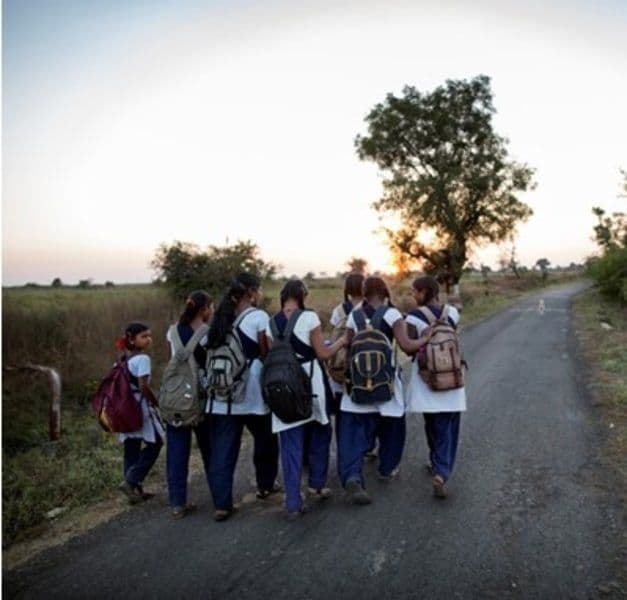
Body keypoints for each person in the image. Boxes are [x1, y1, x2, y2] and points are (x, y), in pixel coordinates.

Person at [337, 276, 430, 505]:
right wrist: (425, 338)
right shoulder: (392, 314)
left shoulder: (354, 316)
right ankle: (386, 468)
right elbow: (407, 345)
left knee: (352, 434)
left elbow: (347, 345)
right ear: (384, 292)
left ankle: (352, 476)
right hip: (385, 383)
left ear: (364, 293)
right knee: (393, 429)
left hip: (357, 386)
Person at [266, 279, 347, 520]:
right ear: (302, 295)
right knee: (321, 430)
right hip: (309, 383)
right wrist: (341, 342)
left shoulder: (271, 322)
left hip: (281, 386)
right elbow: (322, 353)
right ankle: (317, 484)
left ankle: (292, 503)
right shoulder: (309, 318)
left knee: (290, 444)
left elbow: (272, 353)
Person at [205, 273, 280, 522]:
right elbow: (265, 350)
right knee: (266, 440)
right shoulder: (258, 317)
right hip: (250, 393)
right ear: (251, 292)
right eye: (257, 290)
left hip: (220, 395)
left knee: (223, 450)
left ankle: (222, 504)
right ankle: (265, 485)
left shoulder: (220, 319)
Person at [404, 275, 466, 499]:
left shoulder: (413, 317)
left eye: (414, 291)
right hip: (452, 376)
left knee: (433, 423)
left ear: (423, 292)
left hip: (427, 379)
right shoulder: (452, 313)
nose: (412, 295)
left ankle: (438, 468)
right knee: (449, 426)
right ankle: (441, 470)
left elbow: (410, 349)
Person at [165, 290, 214, 519]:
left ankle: (177, 503)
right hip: (199, 399)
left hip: (175, 398)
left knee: (176, 452)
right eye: (210, 307)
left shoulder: (172, 332)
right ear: (204, 309)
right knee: (210, 451)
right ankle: (219, 497)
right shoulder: (207, 334)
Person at [116, 322, 164, 505]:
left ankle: (134, 491)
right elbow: (143, 385)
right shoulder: (143, 359)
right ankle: (131, 481)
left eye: (149, 335)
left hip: (125, 409)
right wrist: (156, 403)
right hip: (140, 408)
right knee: (156, 443)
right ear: (131, 338)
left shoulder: (122, 359)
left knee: (131, 447)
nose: (148, 339)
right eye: (144, 336)